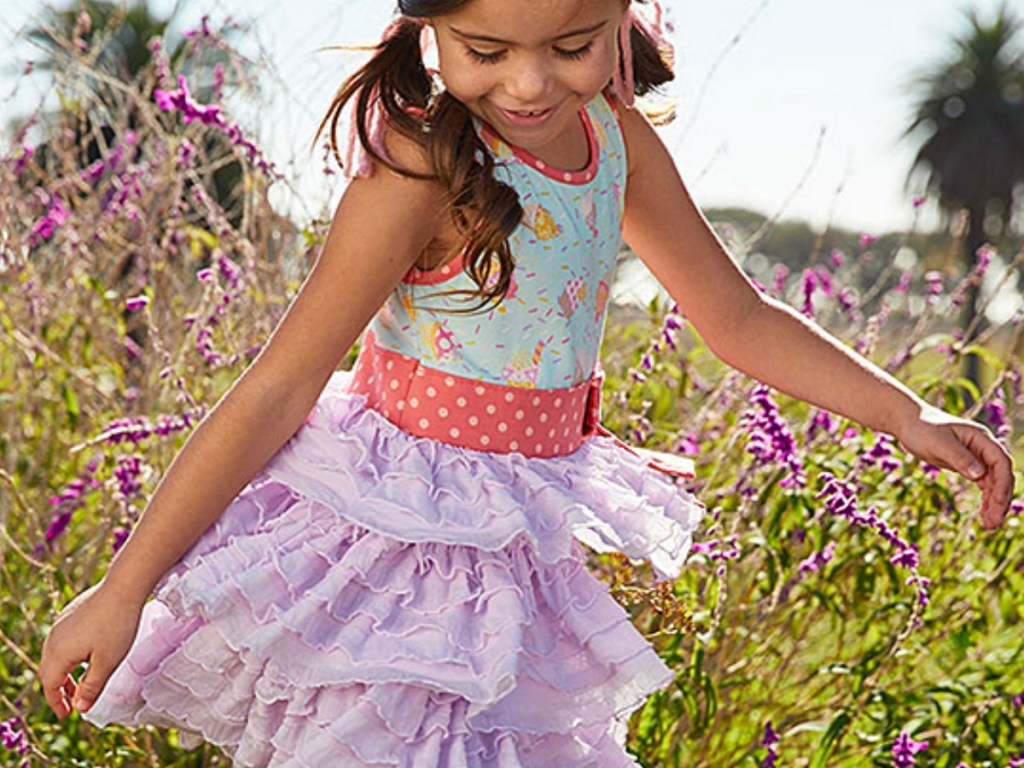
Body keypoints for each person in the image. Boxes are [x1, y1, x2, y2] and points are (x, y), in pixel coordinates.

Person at [39, 0, 1015, 765]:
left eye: (573, 42)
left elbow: (739, 318)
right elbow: (278, 388)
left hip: (529, 538)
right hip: (399, 547)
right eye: (487, 48)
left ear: (620, 18)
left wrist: (909, 411)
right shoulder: (418, 162)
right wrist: (127, 587)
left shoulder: (614, 142)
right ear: (429, 28)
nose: (531, 80)